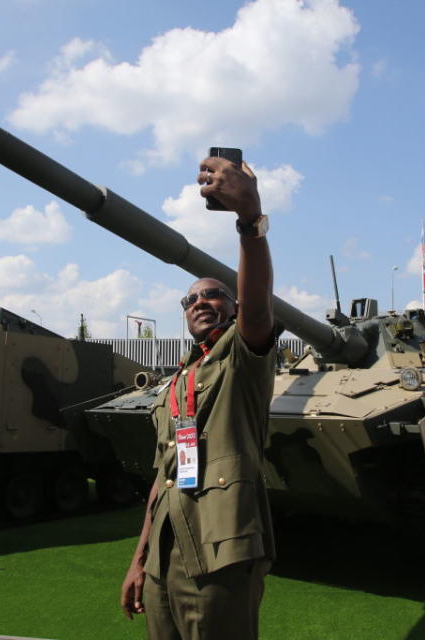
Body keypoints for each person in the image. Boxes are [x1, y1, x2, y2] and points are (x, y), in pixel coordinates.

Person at [120, 154, 276, 640]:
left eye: (214, 295)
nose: (201, 302)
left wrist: (249, 222)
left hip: (220, 550)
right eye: (191, 300)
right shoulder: (177, 382)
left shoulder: (240, 361)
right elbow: (162, 478)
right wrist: (139, 561)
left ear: (231, 309)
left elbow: (257, 306)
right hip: (165, 556)